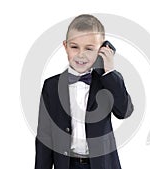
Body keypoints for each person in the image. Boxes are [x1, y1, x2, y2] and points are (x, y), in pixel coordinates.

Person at [35, 14, 134, 169]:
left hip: (102, 165)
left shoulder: (107, 81)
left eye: (89, 48)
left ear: (102, 49)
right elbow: (44, 136)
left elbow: (124, 111)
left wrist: (109, 72)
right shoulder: (51, 86)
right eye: (74, 47)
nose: (81, 54)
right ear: (65, 46)